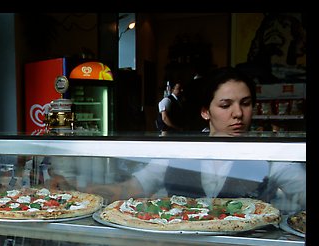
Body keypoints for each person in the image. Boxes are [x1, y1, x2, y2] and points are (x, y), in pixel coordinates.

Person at [88, 66, 305, 212]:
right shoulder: (181, 151)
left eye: (245, 103)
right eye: (225, 105)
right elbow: (131, 189)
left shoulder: (269, 157)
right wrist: (83, 190)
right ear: (205, 112)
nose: (238, 113)